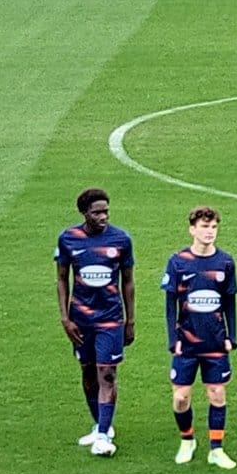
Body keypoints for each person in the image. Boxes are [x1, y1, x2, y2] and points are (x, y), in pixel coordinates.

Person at [59, 188, 135, 457]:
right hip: (81, 320)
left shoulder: (121, 239)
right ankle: (100, 424)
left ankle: (103, 435)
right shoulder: (69, 239)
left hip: (110, 319)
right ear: (84, 213)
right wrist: (65, 318)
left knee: (107, 373)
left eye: (106, 211)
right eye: (96, 212)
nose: (103, 216)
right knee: (88, 373)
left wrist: (130, 320)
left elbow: (127, 281)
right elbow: (61, 278)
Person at [162, 207, 237, 470]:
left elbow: (229, 302)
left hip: (215, 342)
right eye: (204, 227)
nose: (209, 232)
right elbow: (170, 304)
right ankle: (187, 440)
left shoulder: (225, 262)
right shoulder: (178, 262)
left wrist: (233, 336)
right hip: (187, 342)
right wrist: (173, 339)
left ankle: (216, 449)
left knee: (217, 394)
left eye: (213, 227)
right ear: (192, 229)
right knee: (181, 398)